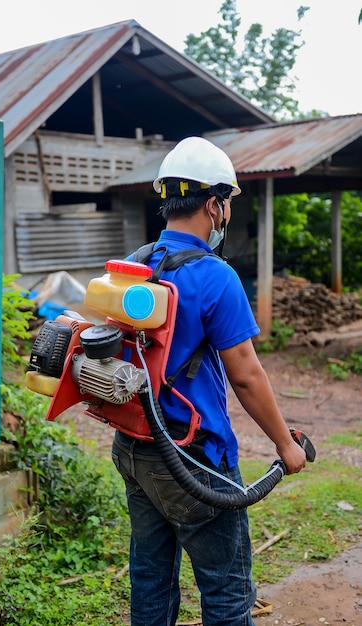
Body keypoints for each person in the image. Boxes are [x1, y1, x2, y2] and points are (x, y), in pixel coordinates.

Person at [111, 136, 306, 626]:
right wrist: (287, 445)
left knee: (151, 578)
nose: (227, 214)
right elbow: (245, 374)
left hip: (135, 447)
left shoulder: (137, 262)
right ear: (214, 203)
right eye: (228, 203)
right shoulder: (216, 276)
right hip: (195, 459)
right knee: (226, 590)